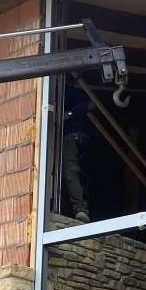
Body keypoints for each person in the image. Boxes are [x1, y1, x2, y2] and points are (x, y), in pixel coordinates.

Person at [61, 86, 92, 223]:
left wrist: (68, 115)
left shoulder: (76, 96)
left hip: (71, 138)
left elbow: (86, 106)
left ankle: (80, 208)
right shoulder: (65, 92)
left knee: (71, 170)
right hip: (62, 136)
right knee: (69, 171)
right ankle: (78, 207)